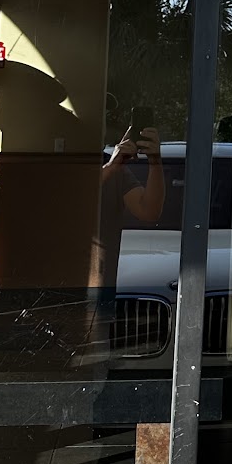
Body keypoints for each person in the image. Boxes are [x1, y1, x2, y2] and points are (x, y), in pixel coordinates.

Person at [92, 124, 165, 321]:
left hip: (101, 290)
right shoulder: (59, 165)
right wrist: (110, 168)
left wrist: (155, 162)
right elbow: (70, 202)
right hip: (59, 289)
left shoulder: (116, 168)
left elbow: (149, 211)